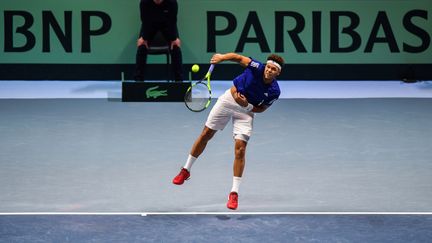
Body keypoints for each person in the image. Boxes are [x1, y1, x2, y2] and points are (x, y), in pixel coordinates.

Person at [172, 52, 285, 210]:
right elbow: (238, 58)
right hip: (228, 101)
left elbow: (262, 108)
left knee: (240, 150)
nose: (269, 70)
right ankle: (186, 170)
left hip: (246, 111)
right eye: (268, 67)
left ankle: (234, 193)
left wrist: (246, 105)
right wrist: (222, 58)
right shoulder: (256, 67)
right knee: (206, 134)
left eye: (273, 69)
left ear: (278, 73)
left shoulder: (274, 91)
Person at [134, 0, 183, 81]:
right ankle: (138, 81)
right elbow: (145, 21)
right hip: (150, 25)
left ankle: (179, 81)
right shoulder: (144, 2)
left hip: (167, 25)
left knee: (175, 47)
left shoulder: (172, 2)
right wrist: (144, 38)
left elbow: (172, 21)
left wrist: (174, 38)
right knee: (142, 46)